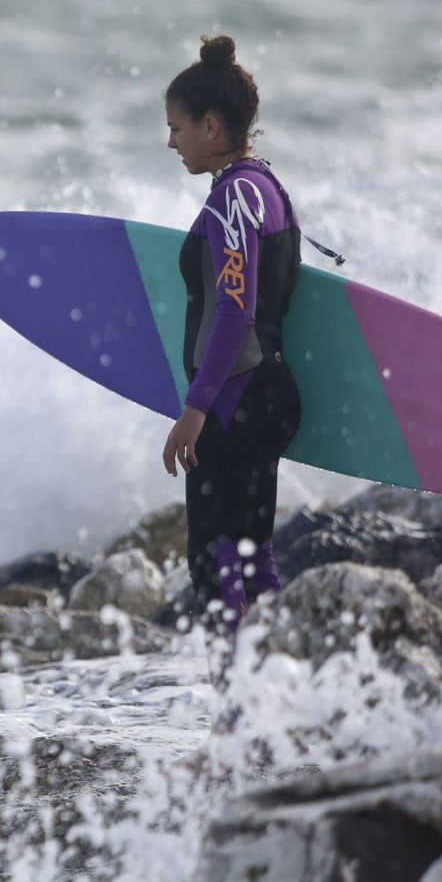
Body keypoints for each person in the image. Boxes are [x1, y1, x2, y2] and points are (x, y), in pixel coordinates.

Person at [161, 34, 302, 631]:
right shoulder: (264, 186)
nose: (171, 141)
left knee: (216, 566)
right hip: (261, 397)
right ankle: (274, 697)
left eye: (177, 127)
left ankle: (238, 708)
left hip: (234, 403)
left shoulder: (234, 200)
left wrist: (196, 408)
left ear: (212, 126)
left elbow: (235, 313)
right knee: (252, 553)